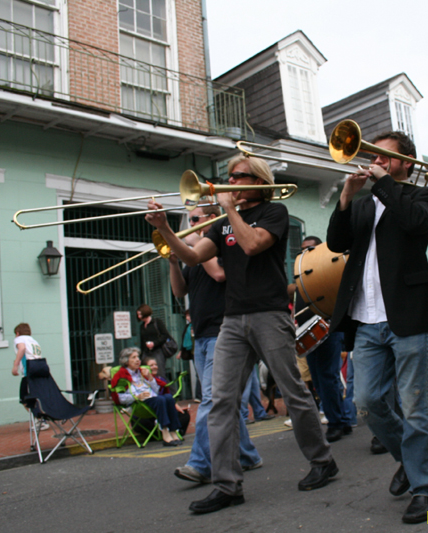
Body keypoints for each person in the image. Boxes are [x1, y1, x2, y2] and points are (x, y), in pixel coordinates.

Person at [146, 155, 334, 514]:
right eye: (229, 176)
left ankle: (323, 460)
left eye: (238, 176)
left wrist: (230, 210)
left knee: (293, 391)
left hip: (270, 313)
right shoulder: (219, 224)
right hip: (232, 320)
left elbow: (251, 244)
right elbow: (192, 254)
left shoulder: (273, 213)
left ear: (257, 181)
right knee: (220, 402)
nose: (230, 181)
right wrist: (165, 229)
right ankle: (227, 484)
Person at [327, 130, 428, 524]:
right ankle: (409, 461)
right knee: (368, 403)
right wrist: (347, 195)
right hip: (365, 319)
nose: (374, 161)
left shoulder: (422, 197)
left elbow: (414, 226)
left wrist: (382, 184)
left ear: (407, 163)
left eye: (383, 156)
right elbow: (335, 240)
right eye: (372, 155)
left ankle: (425, 489)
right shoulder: (363, 204)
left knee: (416, 406)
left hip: (408, 316)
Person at [171, 205, 262, 484]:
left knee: (210, 399)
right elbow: (179, 292)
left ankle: (200, 463)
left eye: (195, 219)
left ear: (212, 219)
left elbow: (220, 275)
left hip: (224, 331)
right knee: (225, 401)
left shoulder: (224, 245)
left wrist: (197, 245)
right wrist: (173, 262)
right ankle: (247, 455)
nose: (190, 224)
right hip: (201, 335)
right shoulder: (195, 256)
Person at [294, 235, 349, 442]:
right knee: (320, 379)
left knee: (327, 377)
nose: (305, 253)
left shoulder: (324, 269)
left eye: (310, 248)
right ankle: (340, 419)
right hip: (309, 331)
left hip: (326, 327)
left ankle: (336, 422)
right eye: (302, 250)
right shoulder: (301, 273)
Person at [111, 347, 182, 446]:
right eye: (133, 357)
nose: (137, 360)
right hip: (139, 404)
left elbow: (156, 390)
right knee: (160, 400)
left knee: (169, 398)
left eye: (138, 357)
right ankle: (165, 433)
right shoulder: (121, 375)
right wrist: (136, 396)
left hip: (152, 398)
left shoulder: (143, 371)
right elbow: (119, 398)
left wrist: (150, 378)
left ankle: (173, 431)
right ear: (126, 361)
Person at [11, 323, 47, 431]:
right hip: (39, 370)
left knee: (25, 399)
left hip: (29, 373)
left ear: (17, 333)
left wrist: (15, 365)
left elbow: (21, 349)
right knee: (36, 398)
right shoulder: (33, 341)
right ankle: (41, 419)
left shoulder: (19, 339)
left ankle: (40, 420)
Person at [137, 304, 171, 379]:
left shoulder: (157, 322)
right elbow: (142, 341)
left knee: (159, 373)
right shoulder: (142, 326)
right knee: (144, 372)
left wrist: (154, 343)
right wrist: (141, 355)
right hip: (146, 352)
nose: (139, 316)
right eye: (138, 314)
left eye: (140, 314)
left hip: (157, 351)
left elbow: (165, 335)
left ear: (145, 312)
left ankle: (166, 390)